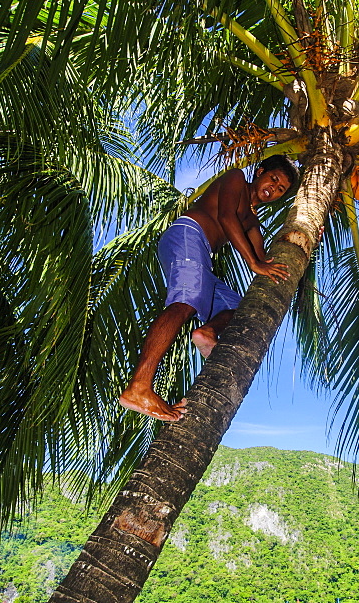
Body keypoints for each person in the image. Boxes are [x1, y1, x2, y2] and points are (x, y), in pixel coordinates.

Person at [119, 155, 298, 421]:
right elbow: (226, 217)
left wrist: (303, 238)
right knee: (185, 304)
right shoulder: (236, 178)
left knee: (238, 309)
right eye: (273, 179)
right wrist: (254, 263)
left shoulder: (251, 220)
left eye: (281, 189)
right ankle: (139, 386)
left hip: (198, 252)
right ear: (260, 172)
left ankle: (207, 332)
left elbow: (264, 260)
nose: (274, 188)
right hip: (188, 235)